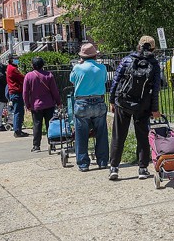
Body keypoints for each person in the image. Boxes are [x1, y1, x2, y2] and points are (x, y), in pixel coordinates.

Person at [107, 35, 162, 181]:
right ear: (153, 48)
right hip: (143, 105)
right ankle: (143, 169)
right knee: (142, 136)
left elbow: (116, 81)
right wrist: (154, 109)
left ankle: (114, 168)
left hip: (123, 102)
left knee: (118, 135)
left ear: (138, 45)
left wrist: (112, 100)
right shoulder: (154, 64)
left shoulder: (126, 60)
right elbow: (155, 89)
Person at [69, 43, 110, 172]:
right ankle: (103, 161)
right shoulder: (102, 68)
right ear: (95, 55)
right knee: (101, 133)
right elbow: (104, 81)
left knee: (81, 134)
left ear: (82, 56)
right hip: (98, 101)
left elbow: (72, 80)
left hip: (82, 102)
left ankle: (83, 163)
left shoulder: (78, 68)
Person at [23, 57, 62, 152]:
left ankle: (36, 146)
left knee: (37, 125)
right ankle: (52, 143)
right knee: (50, 125)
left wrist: (27, 104)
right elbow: (54, 91)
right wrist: (59, 102)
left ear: (32, 65)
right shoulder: (49, 75)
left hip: (36, 105)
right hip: (49, 104)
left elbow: (25, 92)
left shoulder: (28, 76)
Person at [6, 57, 28, 137]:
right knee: (18, 112)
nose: (17, 60)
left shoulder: (9, 67)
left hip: (14, 92)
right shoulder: (13, 69)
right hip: (16, 92)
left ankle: (18, 129)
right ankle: (17, 130)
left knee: (17, 111)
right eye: (15, 59)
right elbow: (22, 78)